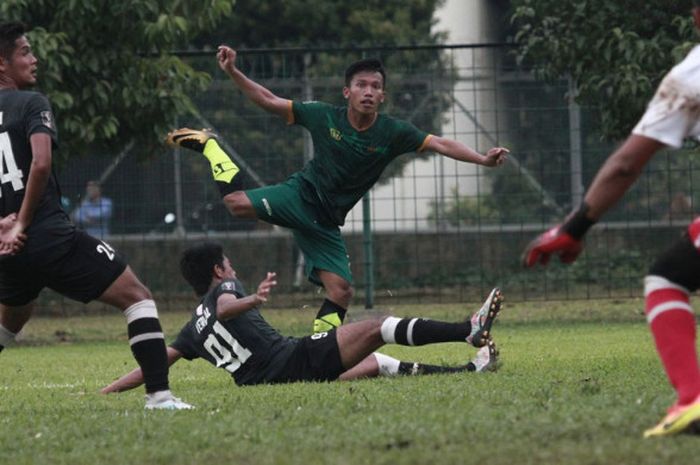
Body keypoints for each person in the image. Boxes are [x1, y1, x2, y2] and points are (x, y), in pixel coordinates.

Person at [166, 50, 510, 334]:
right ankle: (209, 145)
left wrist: (482, 158)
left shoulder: (393, 132)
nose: (369, 91)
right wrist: (233, 71)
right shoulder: (323, 116)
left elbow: (440, 142)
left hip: (326, 223)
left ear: (382, 96)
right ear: (347, 92)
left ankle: (319, 345)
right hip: (300, 196)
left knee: (341, 292)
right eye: (361, 85)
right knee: (235, 203)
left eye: (376, 86)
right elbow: (269, 100)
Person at [522, 1, 700, 438]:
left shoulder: (691, 75)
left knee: (666, 281)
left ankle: (692, 399)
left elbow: (626, 164)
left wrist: (574, 227)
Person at [0, 21, 191, 410]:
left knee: (9, 322)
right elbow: (40, 164)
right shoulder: (31, 102)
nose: (34, 58)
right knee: (138, 297)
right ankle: (159, 396)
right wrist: (21, 220)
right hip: (47, 235)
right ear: (1, 64)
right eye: (24, 52)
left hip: (8, 247)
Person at [100, 242, 501, 393]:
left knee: (376, 362)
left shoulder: (191, 328)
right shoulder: (224, 291)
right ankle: (469, 330)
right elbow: (226, 308)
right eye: (230, 265)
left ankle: (468, 371)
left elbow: (153, 366)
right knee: (377, 326)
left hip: (266, 382)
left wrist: (107, 391)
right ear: (218, 272)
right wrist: (253, 297)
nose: (233, 270)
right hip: (291, 361)